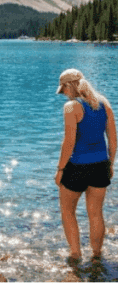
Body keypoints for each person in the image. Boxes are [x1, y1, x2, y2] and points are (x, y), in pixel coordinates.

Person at [55, 69, 116, 261]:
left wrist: (60, 169)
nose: (63, 94)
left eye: (63, 90)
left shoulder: (71, 107)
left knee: (67, 210)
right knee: (96, 213)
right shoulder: (104, 103)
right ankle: (97, 255)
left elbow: (69, 143)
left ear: (69, 86)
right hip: (100, 166)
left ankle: (75, 254)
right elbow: (113, 140)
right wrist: (110, 165)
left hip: (77, 167)